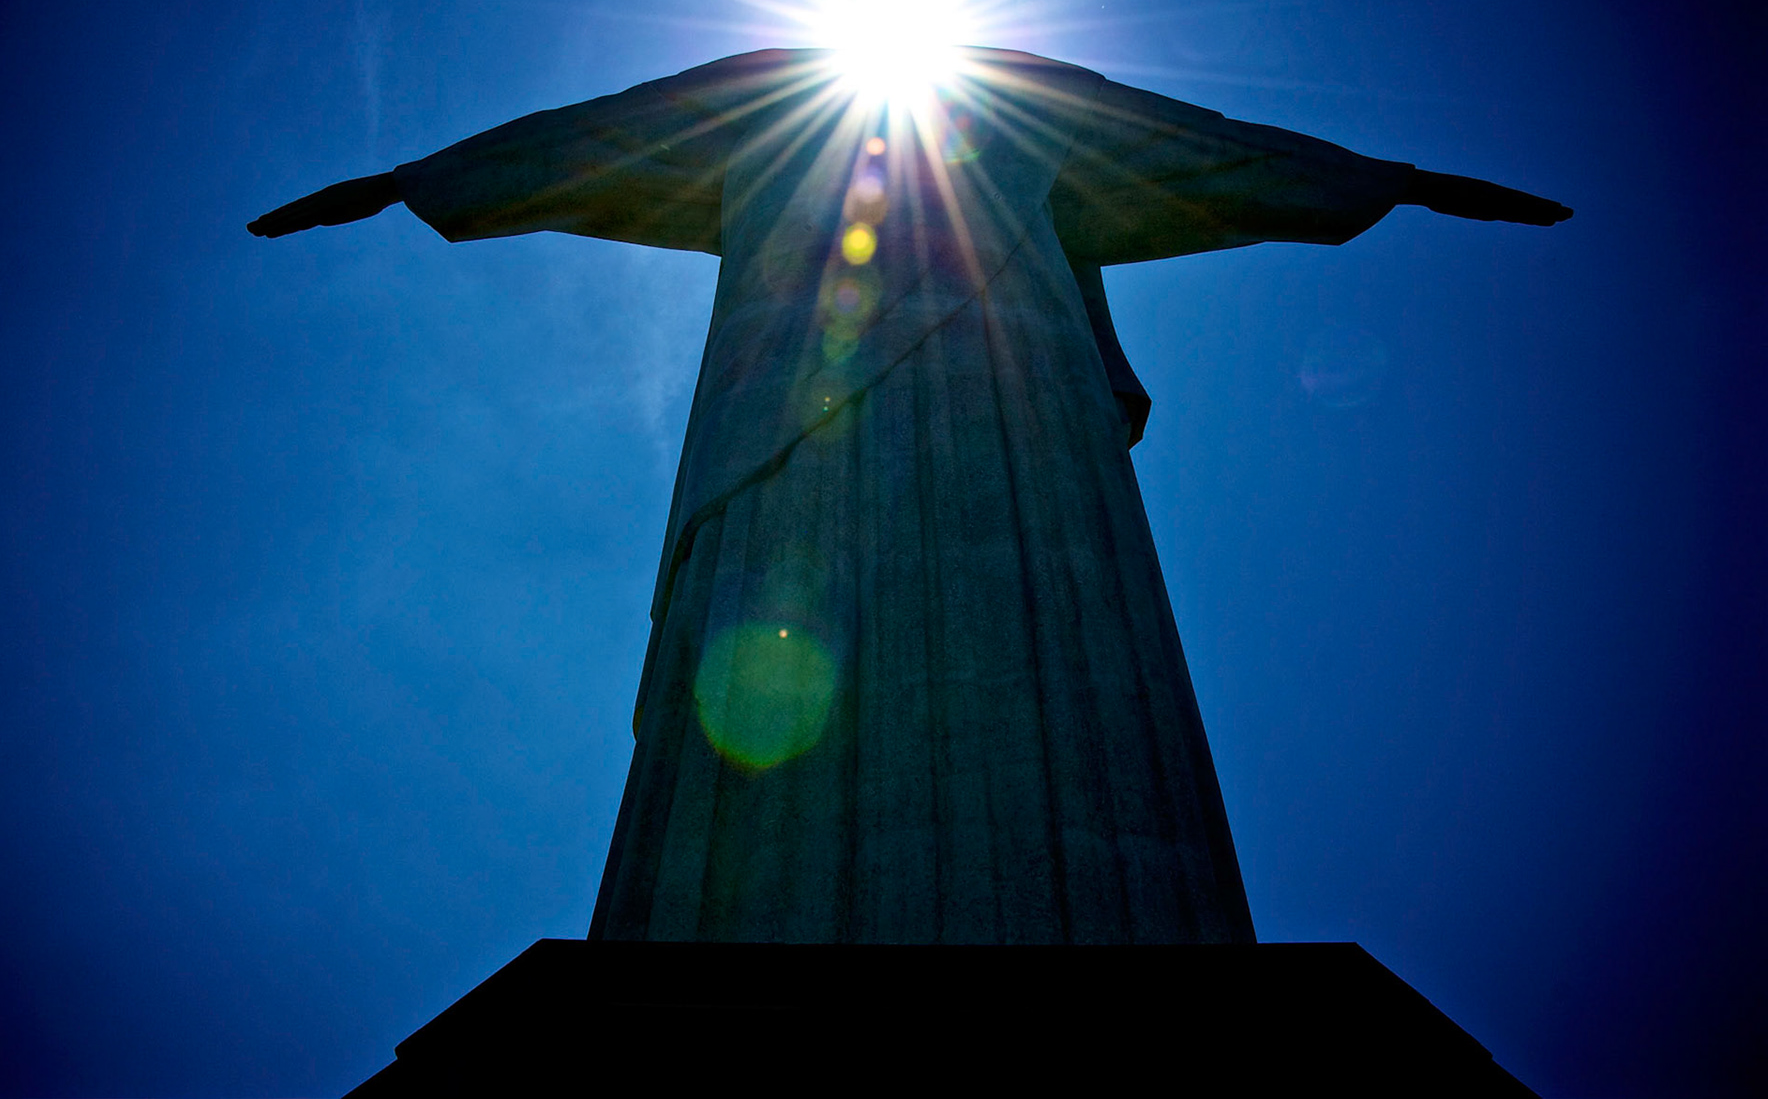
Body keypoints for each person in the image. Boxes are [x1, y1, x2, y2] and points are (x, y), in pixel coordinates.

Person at [250, 47, 1569, 945]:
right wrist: (414, 180)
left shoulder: (1026, 103)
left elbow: (1200, 151)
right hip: (783, 411)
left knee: (1051, 654)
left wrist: (1395, 183)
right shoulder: (777, 99)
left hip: (1021, 404)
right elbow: (599, 138)